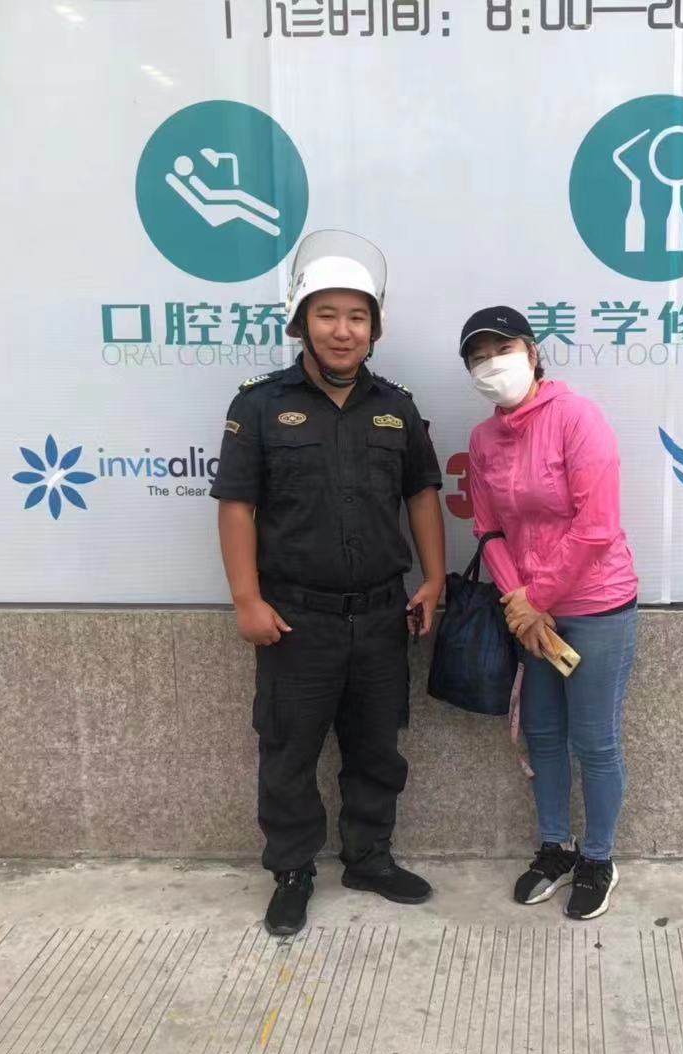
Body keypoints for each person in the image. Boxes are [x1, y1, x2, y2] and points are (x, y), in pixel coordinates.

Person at [211, 230, 446, 936]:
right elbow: (237, 507)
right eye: (327, 315)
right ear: (300, 322)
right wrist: (247, 600)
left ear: (375, 328)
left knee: (377, 748)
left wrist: (434, 578)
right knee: (288, 751)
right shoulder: (259, 406)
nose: (343, 331)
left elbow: (422, 495)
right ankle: (292, 870)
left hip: (379, 617)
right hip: (295, 620)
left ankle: (369, 856)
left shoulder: (396, 407)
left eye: (357, 317)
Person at [460, 305, 639, 920]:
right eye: (478, 357)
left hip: (596, 605)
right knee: (541, 733)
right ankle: (555, 848)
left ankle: (598, 858)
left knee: (595, 739)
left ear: (533, 353)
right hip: (529, 614)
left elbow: (596, 527)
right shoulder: (483, 440)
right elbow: (487, 529)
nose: (492, 364)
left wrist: (535, 600)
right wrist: (520, 602)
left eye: (502, 350)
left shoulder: (577, 418)